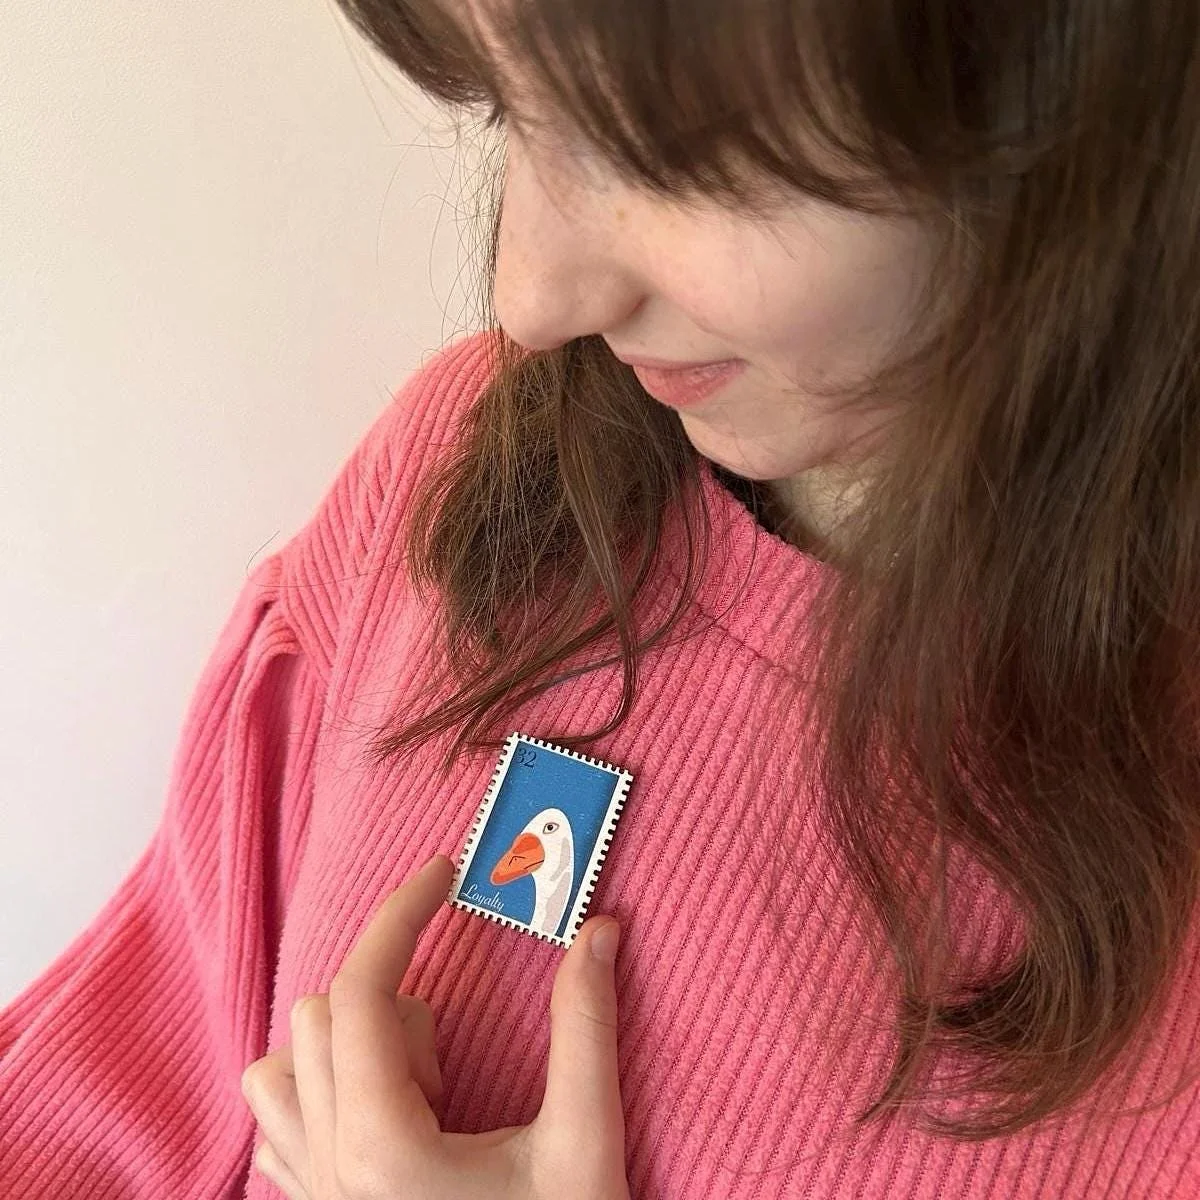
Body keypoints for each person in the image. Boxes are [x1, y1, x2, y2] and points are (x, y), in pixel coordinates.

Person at [3, 0, 1200, 1195]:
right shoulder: (464, 472)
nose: (531, 295)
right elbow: (124, 1096)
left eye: (676, 151)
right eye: (504, 102)